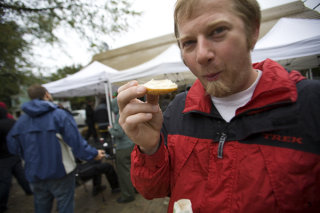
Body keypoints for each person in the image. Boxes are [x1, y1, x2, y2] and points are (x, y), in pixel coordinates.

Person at [116, 0, 320, 212]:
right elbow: (153, 191)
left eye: (218, 31)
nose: (202, 55)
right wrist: (149, 148)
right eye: (189, 43)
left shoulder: (311, 104)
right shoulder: (178, 109)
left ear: (253, 31)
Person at [6, 84, 106, 213]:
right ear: (47, 95)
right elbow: (77, 143)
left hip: (34, 173)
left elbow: (13, 147)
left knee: (41, 207)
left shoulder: (21, 121)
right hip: (60, 172)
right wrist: (93, 154)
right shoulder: (59, 115)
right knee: (65, 205)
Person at [0, 107, 32, 213]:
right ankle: (29, 190)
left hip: (2, 157)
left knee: (5, 181)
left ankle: (2, 204)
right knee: (21, 175)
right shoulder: (13, 122)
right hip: (14, 154)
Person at [109, 97, 135, 203]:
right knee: (132, 170)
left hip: (123, 148)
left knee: (124, 173)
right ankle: (135, 189)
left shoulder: (119, 116)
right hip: (131, 144)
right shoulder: (128, 113)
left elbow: (119, 133)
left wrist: (110, 129)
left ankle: (128, 195)